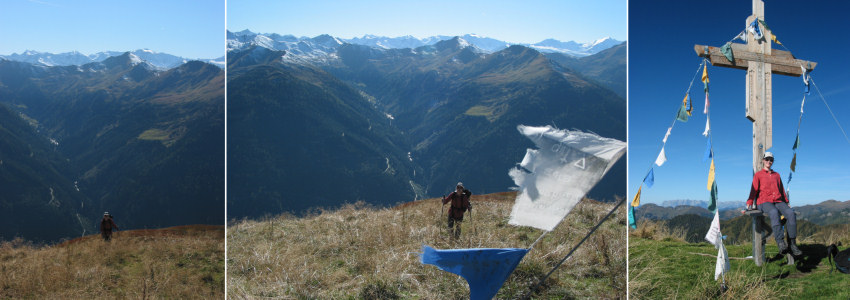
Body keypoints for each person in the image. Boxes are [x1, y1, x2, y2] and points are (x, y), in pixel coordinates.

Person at [746, 152, 802, 256]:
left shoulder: (777, 175)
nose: (769, 161)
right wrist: (749, 202)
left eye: (771, 160)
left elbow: (781, 190)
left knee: (790, 213)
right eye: (767, 159)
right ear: (763, 160)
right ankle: (780, 242)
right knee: (773, 212)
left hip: (778, 200)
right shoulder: (758, 175)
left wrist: (787, 202)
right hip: (763, 201)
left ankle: (792, 244)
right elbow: (753, 189)